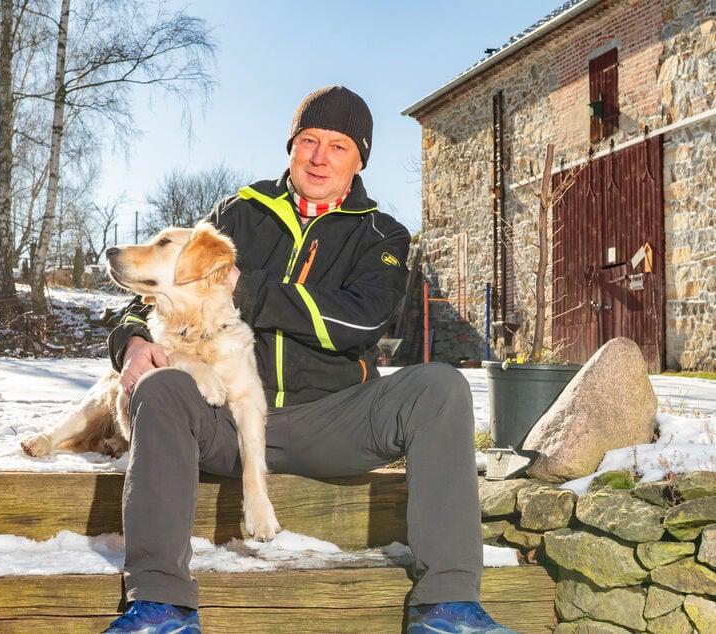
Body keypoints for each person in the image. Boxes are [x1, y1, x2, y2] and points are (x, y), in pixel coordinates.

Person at [101, 86, 518, 634]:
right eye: (309, 141)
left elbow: (360, 321)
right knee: (161, 388)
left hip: (334, 419)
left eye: (338, 146)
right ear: (291, 147)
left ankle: (449, 607)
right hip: (225, 419)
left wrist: (246, 289)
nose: (320, 157)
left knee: (441, 387)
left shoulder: (381, 234)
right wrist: (132, 344)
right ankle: (160, 606)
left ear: (358, 158)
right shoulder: (240, 213)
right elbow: (147, 295)